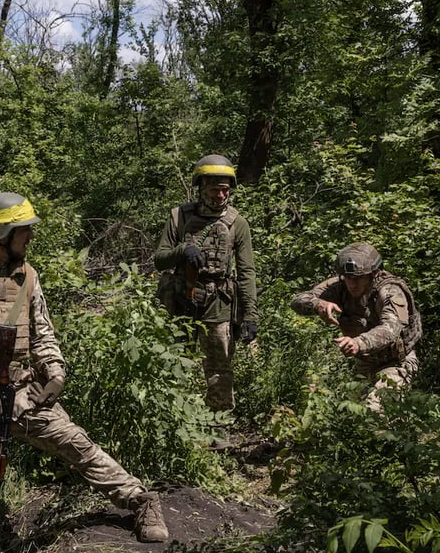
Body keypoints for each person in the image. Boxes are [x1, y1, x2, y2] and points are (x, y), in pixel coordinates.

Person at [0, 191, 169, 543]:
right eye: (24, 230)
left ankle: (140, 499)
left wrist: (55, 374)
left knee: (77, 445)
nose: (31, 236)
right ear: (1, 234)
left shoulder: (28, 276)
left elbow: (43, 335)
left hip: (20, 394)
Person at [153, 154, 258, 412]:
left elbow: (246, 272)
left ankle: (219, 424)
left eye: (225, 190)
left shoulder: (237, 224)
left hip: (218, 303)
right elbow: (159, 260)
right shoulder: (179, 217)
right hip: (181, 300)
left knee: (219, 368)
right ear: (201, 188)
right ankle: (179, 420)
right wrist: (182, 250)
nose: (220, 196)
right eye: (214, 190)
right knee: (175, 361)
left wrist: (250, 315)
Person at [290, 242, 422, 413]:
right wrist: (318, 304)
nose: (352, 283)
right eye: (348, 277)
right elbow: (297, 301)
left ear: (373, 274)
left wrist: (359, 343)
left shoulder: (390, 291)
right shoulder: (339, 286)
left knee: (374, 409)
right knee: (347, 413)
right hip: (364, 362)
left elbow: (391, 328)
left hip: (397, 361)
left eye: (358, 278)